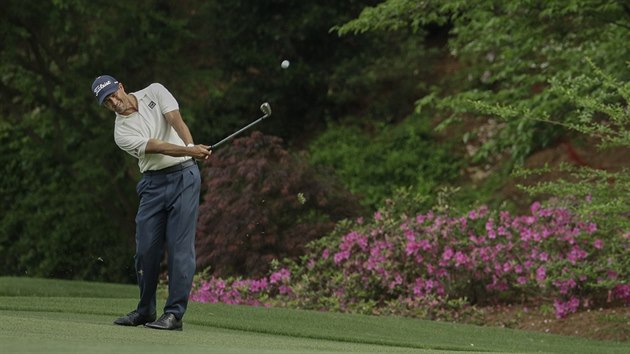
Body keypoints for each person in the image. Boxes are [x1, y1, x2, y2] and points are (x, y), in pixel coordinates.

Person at [91, 75, 211, 331]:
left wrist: (190, 146)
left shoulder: (154, 91)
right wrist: (192, 150)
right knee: (145, 250)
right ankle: (145, 310)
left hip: (185, 178)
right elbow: (157, 146)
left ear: (121, 86)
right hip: (153, 185)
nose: (114, 101)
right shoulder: (121, 132)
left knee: (180, 249)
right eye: (107, 101)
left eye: (114, 94)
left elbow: (175, 120)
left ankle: (174, 315)